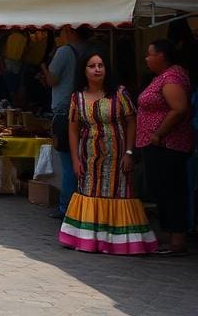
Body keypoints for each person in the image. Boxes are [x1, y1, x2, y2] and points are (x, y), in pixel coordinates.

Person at [57, 47, 157, 255]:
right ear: (83, 70)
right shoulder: (78, 98)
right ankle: (90, 240)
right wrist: (75, 160)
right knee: (89, 192)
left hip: (118, 156)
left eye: (100, 65)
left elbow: (132, 121)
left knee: (119, 193)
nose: (96, 70)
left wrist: (130, 153)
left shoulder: (119, 93)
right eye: (91, 66)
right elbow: (73, 129)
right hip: (90, 156)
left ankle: (118, 242)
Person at [136, 39, 193, 255]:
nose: (146, 58)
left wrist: (158, 133)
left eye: (150, 54)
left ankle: (177, 239)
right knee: (162, 189)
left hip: (168, 145)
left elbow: (179, 109)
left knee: (171, 190)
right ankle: (172, 236)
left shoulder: (172, 77)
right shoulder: (163, 77)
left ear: (162, 56)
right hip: (158, 145)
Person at [40, 25, 92, 219]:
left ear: (70, 31)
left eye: (61, 32)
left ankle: (67, 206)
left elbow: (52, 80)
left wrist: (44, 68)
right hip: (87, 109)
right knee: (83, 159)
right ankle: (81, 202)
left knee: (68, 162)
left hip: (65, 110)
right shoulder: (90, 49)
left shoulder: (64, 51)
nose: (59, 36)